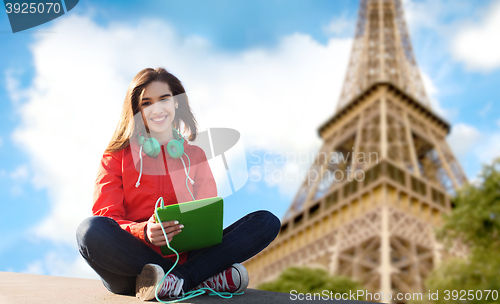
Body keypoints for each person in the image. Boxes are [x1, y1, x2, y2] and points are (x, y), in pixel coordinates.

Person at [76, 67, 281, 300]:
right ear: (137, 111)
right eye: (147, 103)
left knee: (266, 221)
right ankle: (193, 278)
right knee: (89, 230)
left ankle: (179, 279)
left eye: (164, 99)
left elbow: (207, 218)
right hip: (132, 268)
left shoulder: (195, 156)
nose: (158, 109)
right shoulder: (115, 156)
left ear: (176, 103)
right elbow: (108, 217)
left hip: (187, 256)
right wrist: (144, 232)